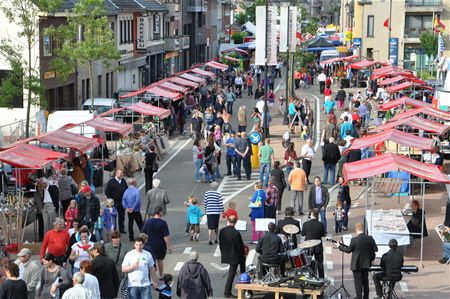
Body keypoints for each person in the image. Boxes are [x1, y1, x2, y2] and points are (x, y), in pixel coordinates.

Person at [335, 222, 378, 299]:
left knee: (358, 284)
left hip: (356, 265)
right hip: (366, 264)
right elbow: (376, 249)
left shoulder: (354, 240)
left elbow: (348, 250)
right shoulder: (370, 238)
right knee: (365, 282)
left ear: (356, 230)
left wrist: (339, 246)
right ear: (363, 229)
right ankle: (366, 297)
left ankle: (359, 297)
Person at [141, 206, 172, 279]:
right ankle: (161, 275)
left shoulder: (148, 222)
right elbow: (166, 236)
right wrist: (169, 247)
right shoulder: (163, 223)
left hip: (150, 245)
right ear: (160, 212)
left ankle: (151, 277)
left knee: (151, 261)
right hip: (160, 246)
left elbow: (143, 233)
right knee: (160, 260)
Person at [218, 215, 245, 298]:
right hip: (234, 255)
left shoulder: (222, 230)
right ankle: (228, 292)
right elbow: (240, 246)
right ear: (236, 222)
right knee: (232, 274)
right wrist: (243, 253)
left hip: (225, 253)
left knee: (232, 272)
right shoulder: (236, 233)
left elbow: (220, 242)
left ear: (228, 220)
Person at [302, 208, 325, 278]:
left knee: (307, 263)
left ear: (311, 214)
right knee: (320, 264)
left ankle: (310, 277)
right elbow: (322, 234)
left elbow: (303, 234)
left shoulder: (305, 224)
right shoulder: (321, 224)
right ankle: (321, 278)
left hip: (308, 246)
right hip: (318, 246)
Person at [104, 169, 128, 234]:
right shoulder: (111, 182)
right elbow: (107, 191)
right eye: (121, 173)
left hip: (122, 202)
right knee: (113, 216)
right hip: (114, 202)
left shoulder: (123, 181)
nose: (122, 175)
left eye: (122, 173)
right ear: (116, 174)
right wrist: (110, 199)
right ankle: (113, 229)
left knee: (122, 216)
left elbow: (126, 190)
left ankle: (122, 229)